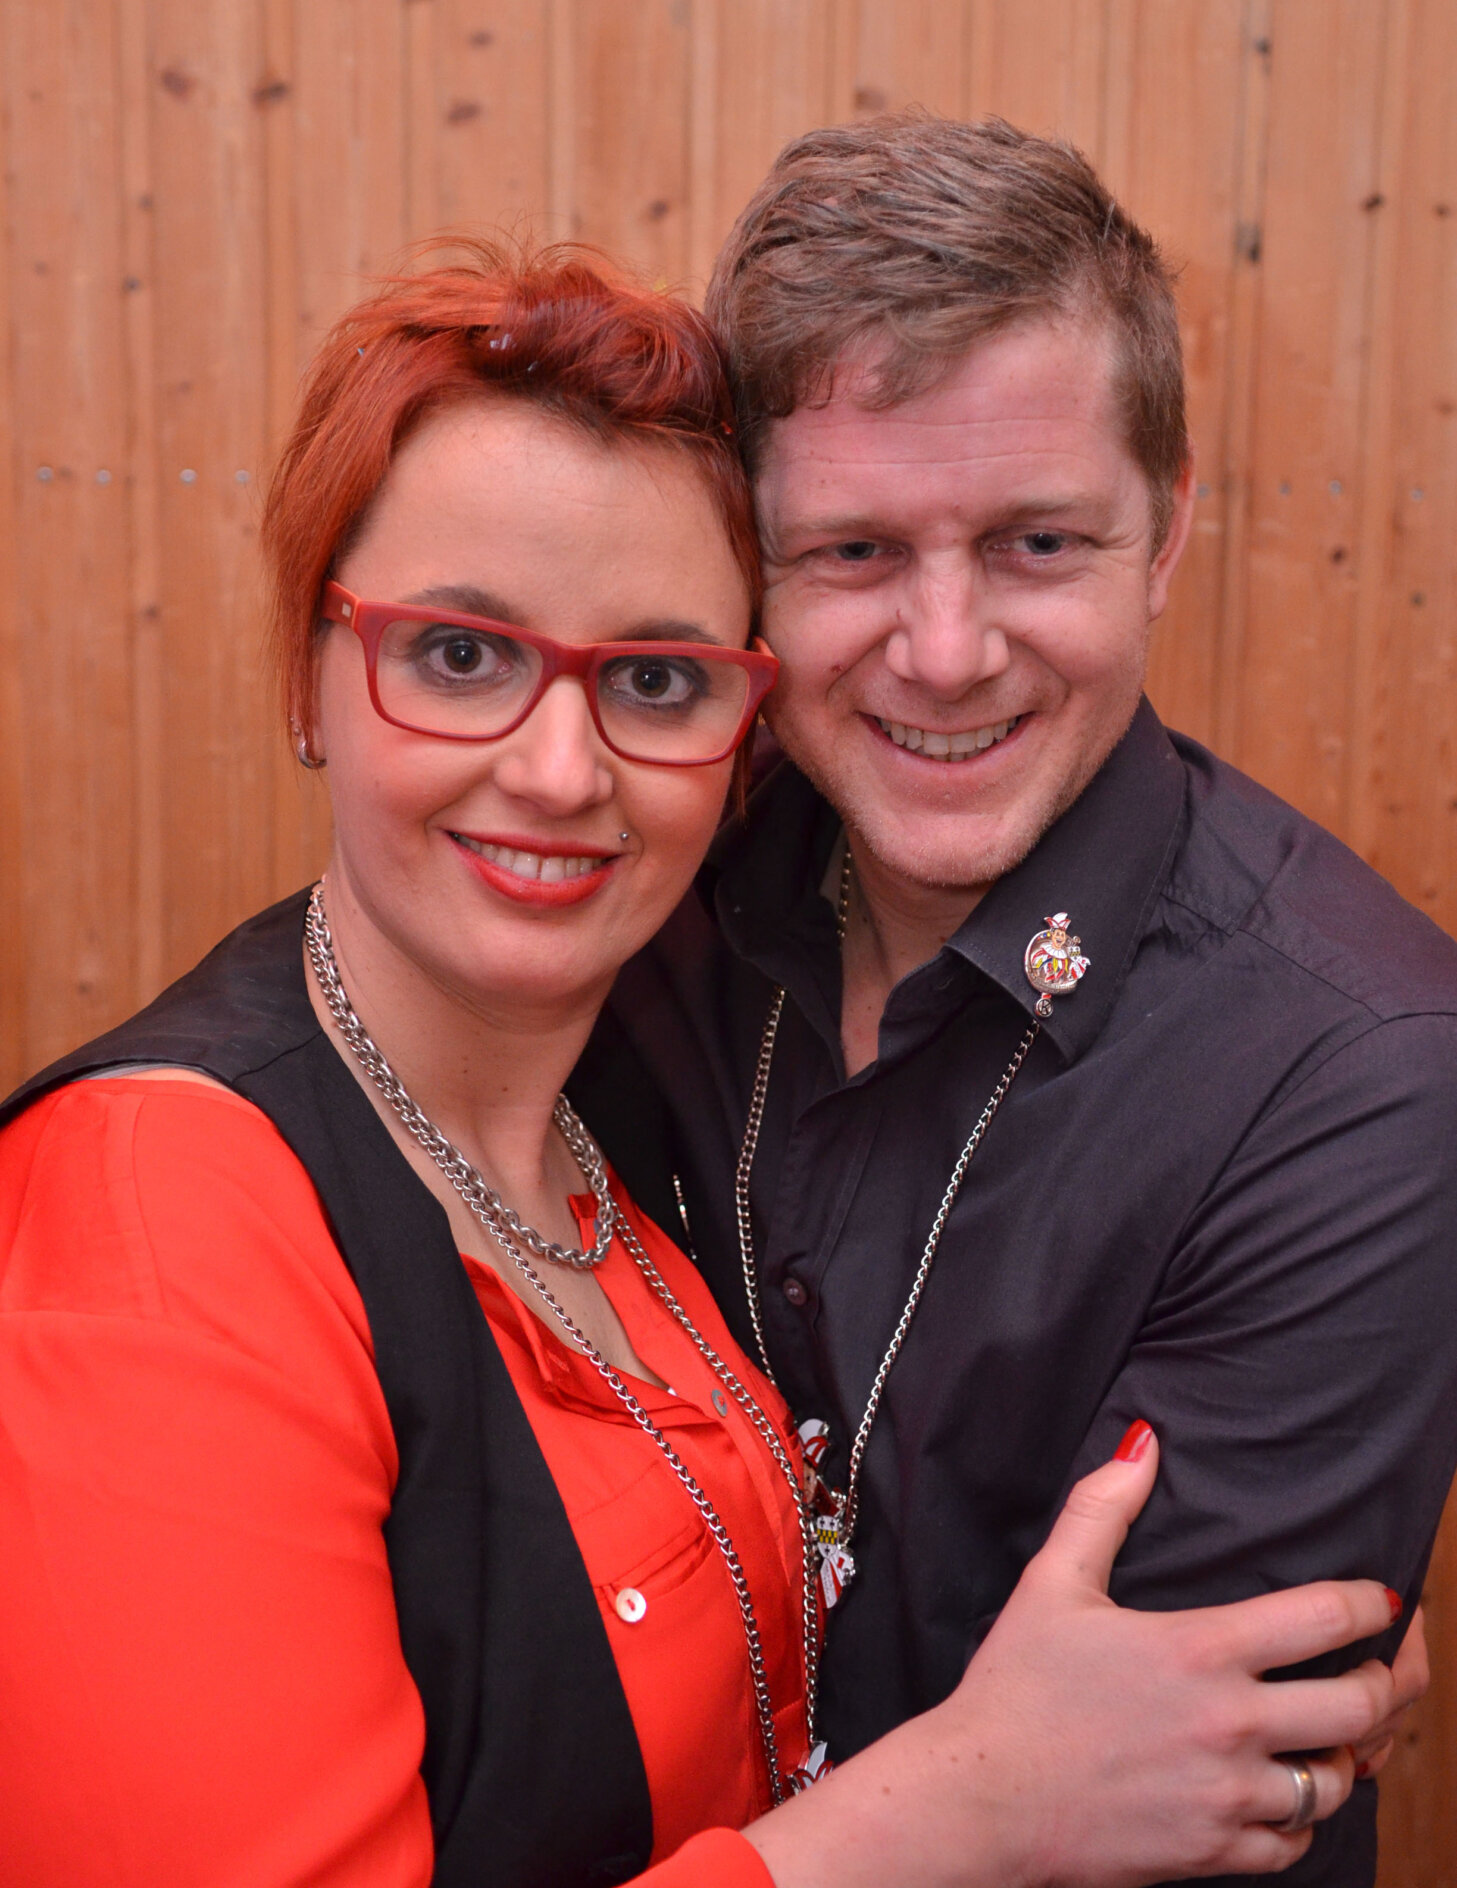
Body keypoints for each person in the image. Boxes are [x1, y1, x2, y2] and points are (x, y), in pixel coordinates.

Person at [0, 248, 1420, 1888]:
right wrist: (968, 1801)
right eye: (459, 655)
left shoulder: (598, 1100)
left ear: (739, 725)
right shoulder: (153, 1233)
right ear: (309, 673)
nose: (558, 770)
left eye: (656, 680)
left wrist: (1150, 1697)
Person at [570, 116, 1457, 1888]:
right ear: (746, 555)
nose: (946, 649)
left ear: (1166, 532)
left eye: (1037, 542)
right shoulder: (636, 888)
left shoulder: (1357, 1072)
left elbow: (1163, 1813)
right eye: (850, 553)